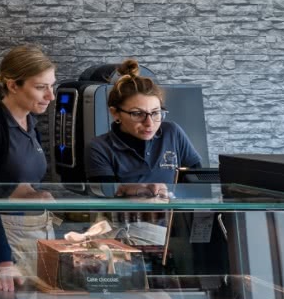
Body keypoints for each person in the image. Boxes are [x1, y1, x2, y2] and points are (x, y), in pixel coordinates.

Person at [0, 45, 58, 292]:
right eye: (41, 87)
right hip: (4, 239)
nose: (51, 96)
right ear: (13, 85)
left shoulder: (31, 122)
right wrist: (4, 262)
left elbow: (24, 182)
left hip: (37, 232)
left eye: (52, 86)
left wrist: (35, 194)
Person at [85, 59, 204, 245]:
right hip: (122, 234)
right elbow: (109, 200)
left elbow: (198, 184)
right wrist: (145, 191)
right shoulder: (99, 147)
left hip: (172, 232)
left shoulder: (172, 133)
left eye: (156, 113)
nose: (149, 123)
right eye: (137, 114)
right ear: (115, 113)